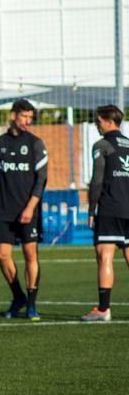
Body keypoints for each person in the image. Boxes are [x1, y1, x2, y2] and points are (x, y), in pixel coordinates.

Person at [0, 99, 48, 320]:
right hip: (5, 211)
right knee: (1, 254)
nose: (27, 121)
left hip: (29, 211)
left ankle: (32, 304)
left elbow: (41, 180)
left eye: (30, 118)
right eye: (24, 117)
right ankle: (19, 296)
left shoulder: (36, 144)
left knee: (30, 254)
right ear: (14, 115)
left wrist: (30, 208)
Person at [82, 104, 129, 322]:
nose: (96, 125)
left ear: (109, 121)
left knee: (105, 255)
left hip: (110, 207)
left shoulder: (101, 145)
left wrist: (92, 209)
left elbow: (97, 180)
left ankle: (103, 309)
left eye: (98, 121)